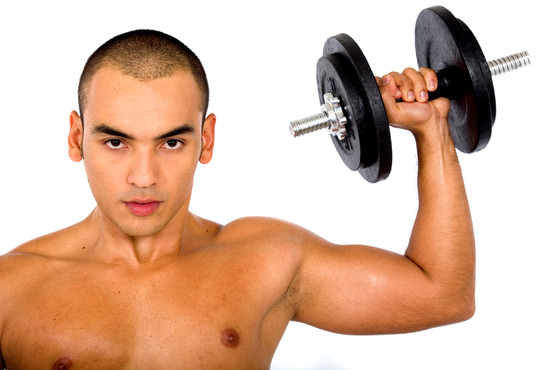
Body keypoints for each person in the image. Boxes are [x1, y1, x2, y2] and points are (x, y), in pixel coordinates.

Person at [0, 29, 475, 369]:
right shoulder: (11, 288)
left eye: (171, 143)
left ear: (206, 140)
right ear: (76, 137)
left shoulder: (263, 259)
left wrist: (432, 130)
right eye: (115, 142)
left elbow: (443, 294)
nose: (143, 177)